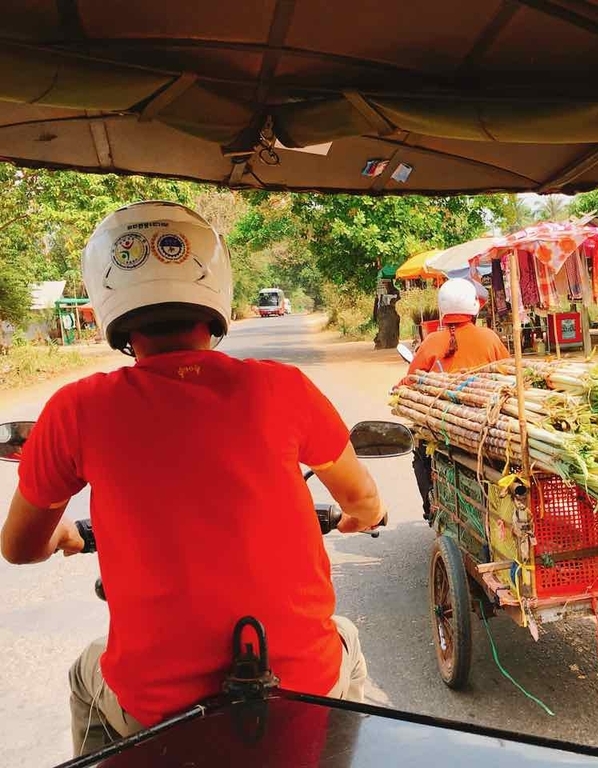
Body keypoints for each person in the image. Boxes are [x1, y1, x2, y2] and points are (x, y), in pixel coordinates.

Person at [0, 202, 386, 757]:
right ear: (215, 294)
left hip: (157, 712)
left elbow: (18, 548)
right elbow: (364, 498)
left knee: (86, 674)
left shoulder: (77, 410)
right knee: (344, 640)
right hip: (297, 687)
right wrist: (363, 516)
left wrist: (60, 534)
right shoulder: (283, 388)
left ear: (113, 307)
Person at [406, 278, 510, 520]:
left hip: (443, 427)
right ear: (474, 308)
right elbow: (508, 376)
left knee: (420, 457)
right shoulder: (489, 337)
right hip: (486, 428)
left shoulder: (432, 341)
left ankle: (431, 508)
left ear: (443, 309)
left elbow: (410, 382)